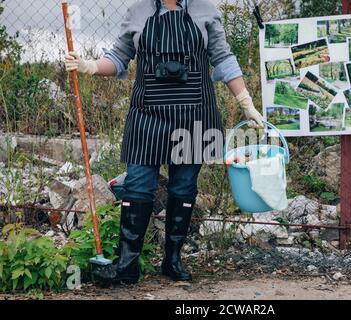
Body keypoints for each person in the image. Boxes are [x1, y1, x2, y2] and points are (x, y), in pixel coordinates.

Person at [64, 0, 264, 284]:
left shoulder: (205, 10)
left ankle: (173, 260)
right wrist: (90, 66)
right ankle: (127, 265)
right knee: (136, 185)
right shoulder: (138, 11)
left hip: (194, 113)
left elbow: (224, 58)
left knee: (183, 187)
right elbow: (118, 57)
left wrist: (246, 103)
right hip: (148, 115)